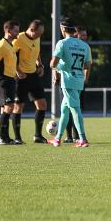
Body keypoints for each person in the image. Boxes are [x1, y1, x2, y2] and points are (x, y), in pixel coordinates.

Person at [47, 18, 92, 147]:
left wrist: (56, 66)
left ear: (63, 29)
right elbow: (87, 65)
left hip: (68, 81)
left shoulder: (62, 43)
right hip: (79, 80)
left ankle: (83, 139)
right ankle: (57, 138)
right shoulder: (85, 45)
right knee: (65, 110)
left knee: (75, 109)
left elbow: (53, 64)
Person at [12, 19, 48, 143]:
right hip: (21, 77)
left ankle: (38, 136)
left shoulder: (36, 38)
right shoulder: (19, 38)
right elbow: (11, 55)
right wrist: (17, 71)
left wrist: (40, 65)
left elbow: (37, 52)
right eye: (38, 33)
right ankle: (17, 138)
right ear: (31, 30)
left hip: (33, 76)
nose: (40, 36)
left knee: (42, 104)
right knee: (18, 106)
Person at [0, 20, 21, 145]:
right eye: (15, 31)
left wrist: (17, 72)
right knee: (9, 106)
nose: (17, 33)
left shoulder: (11, 45)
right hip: (1, 79)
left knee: (5, 108)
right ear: (8, 31)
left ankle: (5, 137)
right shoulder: (1, 45)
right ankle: (1, 137)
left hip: (10, 79)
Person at [64, 26, 88, 143]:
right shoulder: (76, 46)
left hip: (75, 81)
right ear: (76, 34)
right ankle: (68, 136)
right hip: (73, 80)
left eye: (85, 35)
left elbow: (88, 65)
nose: (84, 37)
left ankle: (78, 137)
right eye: (82, 35)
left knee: (74, 108)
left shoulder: (84, 47)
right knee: (70, 108)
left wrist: (86, 78)